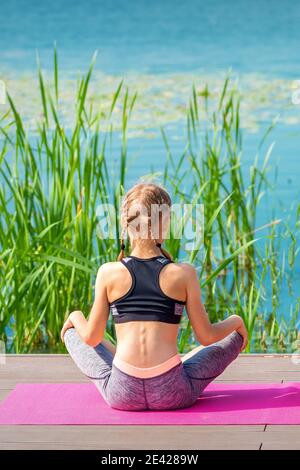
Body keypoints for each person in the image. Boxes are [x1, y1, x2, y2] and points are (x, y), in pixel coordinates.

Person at [61, 182, 248, 411]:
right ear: (165, 225)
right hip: (173, 392)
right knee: (233, 336)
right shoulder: (183, 273)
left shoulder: (108, 272)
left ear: (125, 225)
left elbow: (91, 338)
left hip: (122, 394)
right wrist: (236, 321)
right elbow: (207, 336)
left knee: (73, 332)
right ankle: (185, 358)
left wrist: (75, 316)